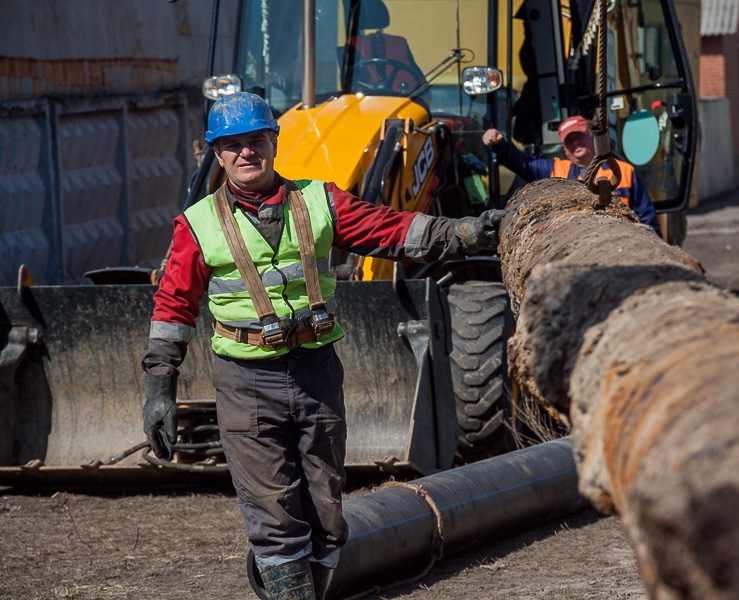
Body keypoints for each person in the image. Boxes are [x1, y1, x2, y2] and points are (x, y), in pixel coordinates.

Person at [140, 92, 501, 600]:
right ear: (217, 154)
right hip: (247, 384)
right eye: (234, 145)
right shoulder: (196, 225)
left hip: (316, 372)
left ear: (274, 141)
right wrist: (160, 386)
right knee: (273, 509)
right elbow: (172, 307)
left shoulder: (319, 200)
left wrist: (461, 232)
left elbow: (390, 229)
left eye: (257, 141)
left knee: (326, 509)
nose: (247, 153)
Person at [483, 115, 661, 235]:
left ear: (592, 137)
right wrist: (500, 142)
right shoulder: (554, 171)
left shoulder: (623, 171)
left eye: (579, 136)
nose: (575, 142)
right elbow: (520, 161)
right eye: (569, 140)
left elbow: (646, 216)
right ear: (565, 150)